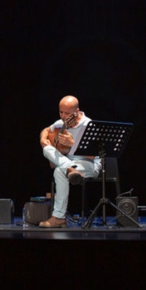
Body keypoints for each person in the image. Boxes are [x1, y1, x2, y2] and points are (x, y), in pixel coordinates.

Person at [38, 95, 101, 228]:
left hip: (87, 164)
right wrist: (43, 139)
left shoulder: (89, 125)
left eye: (67, 113)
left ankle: (58, 217)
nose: (63, 116)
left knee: (59, 171)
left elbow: (92, 156)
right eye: (61, 112)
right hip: (68, 163)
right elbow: (45, 130)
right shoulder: (61, 123)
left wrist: (73, 145)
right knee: (46, 150)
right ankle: (69, 168)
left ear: (76, 111)